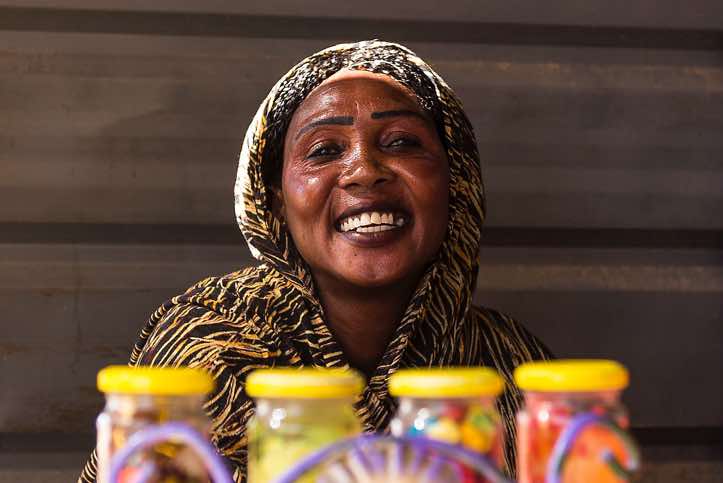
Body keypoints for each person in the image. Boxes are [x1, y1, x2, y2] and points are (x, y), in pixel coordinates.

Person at [79, 40, 550, 483]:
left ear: (456, 183)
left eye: (402, 142)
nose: (365, 171)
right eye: (324, 150)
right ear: (276, 202)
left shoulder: (509, 363)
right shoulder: (209, 351)